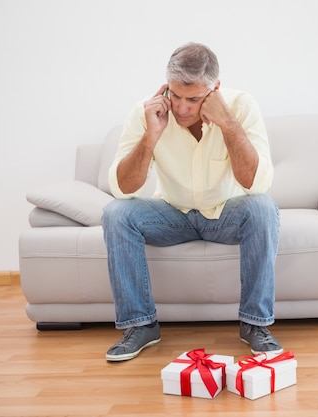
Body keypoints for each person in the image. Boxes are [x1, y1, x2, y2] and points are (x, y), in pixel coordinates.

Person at [101, 42, 282, 362]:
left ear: (215, 90)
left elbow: (257, 183)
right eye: (176, 96)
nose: (182, 108)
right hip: (172, 214)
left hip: (226, 213)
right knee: (116, 213)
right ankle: (140, 325)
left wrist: (226, 122)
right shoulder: (147, 111)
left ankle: (254, 324)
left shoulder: (240, 106)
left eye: (194, 99)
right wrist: (151, 135)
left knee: (263, 208)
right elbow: (121, 189)